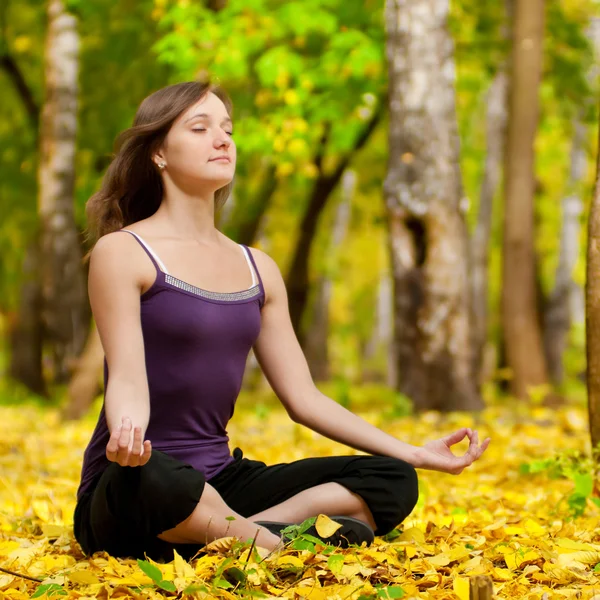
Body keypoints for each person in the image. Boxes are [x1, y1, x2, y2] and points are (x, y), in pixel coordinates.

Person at [73, 81, 491, 563]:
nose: (223, 140)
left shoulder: (257, 267)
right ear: (159, 154)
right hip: (134, 482)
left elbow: (304, 399)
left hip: (223, 483)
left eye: (227, 129)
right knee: (159, 480)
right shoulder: (124, 251)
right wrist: (128, 432)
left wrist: (414, 452)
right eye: (200, 127)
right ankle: (272, 542)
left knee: (391, 476)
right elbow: (126, 375)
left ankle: (232, 535)